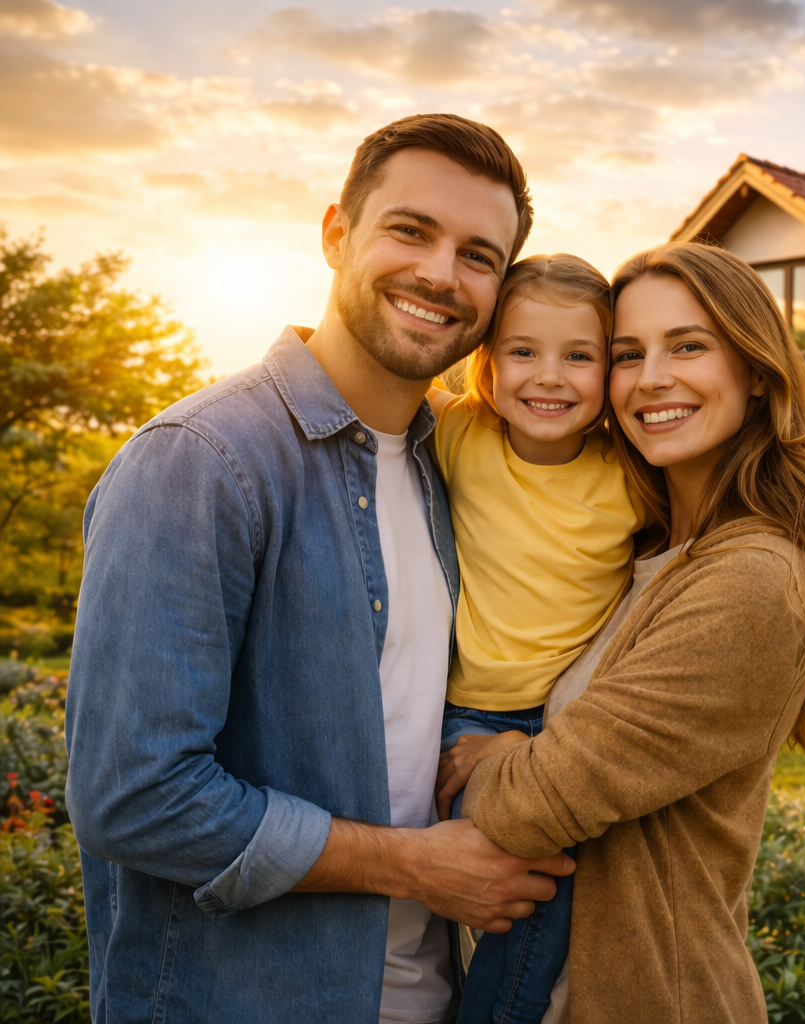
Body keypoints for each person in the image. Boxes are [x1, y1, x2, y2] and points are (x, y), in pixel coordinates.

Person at [64, 114, 574, 1024]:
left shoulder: (448, 465)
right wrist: (415, 865)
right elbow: (134, 799)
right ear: (337, 233)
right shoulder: (201, 461)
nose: (439, 274)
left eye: (478, 255)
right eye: (410, 230)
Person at [441, 241, 805, 1024]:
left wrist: (487, 758)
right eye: (627, 353)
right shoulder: (644, 549)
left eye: (689, 345)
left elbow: (537, 805)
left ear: (756, 370)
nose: (652, 377)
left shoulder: (752, 582)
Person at [427, 254, 639, 1023]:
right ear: (485, 361)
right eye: (522, 351)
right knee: (480, 908)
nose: (549, 376)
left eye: (578, 356)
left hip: (561, 728)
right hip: (461, 720)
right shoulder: (459, 431)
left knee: (533, 919)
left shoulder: (632, 472)